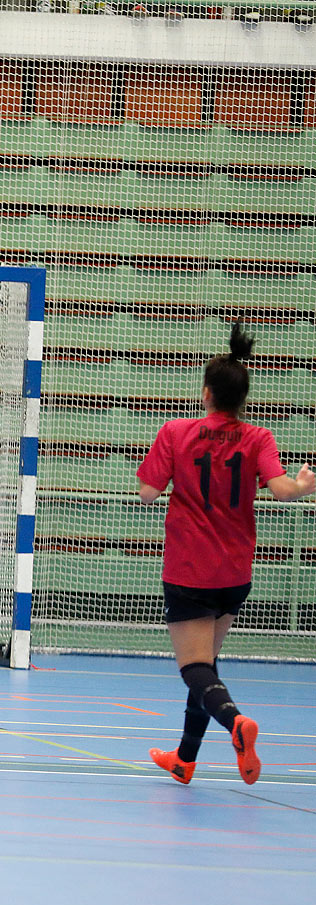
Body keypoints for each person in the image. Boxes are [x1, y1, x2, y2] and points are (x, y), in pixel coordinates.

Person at [137, 324, 314, 785]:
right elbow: (282, 491)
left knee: (194, 668)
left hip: (189, 568)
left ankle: (236, 723)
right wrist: (303, 483)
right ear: (242, 399)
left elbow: (148, 493)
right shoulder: (259, 438)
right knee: (207, 664)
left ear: (206, 393)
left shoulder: (176, 432)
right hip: (235, 571)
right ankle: (185, 758)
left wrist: (166, 474)